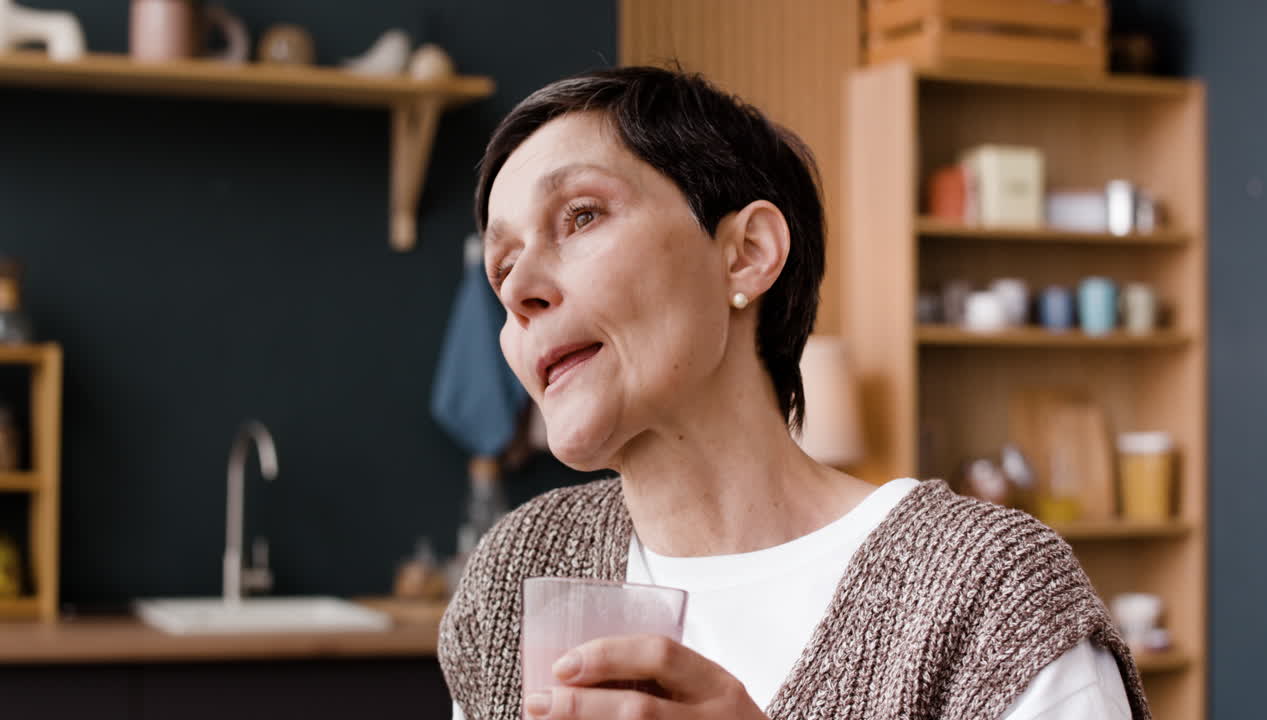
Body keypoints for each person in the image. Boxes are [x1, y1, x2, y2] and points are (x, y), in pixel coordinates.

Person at [439, 66, 1149, 720]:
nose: (520, 291)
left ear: (747, 253)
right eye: (502, 268)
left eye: (582, 215)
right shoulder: (517, 572)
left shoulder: (991, 597)